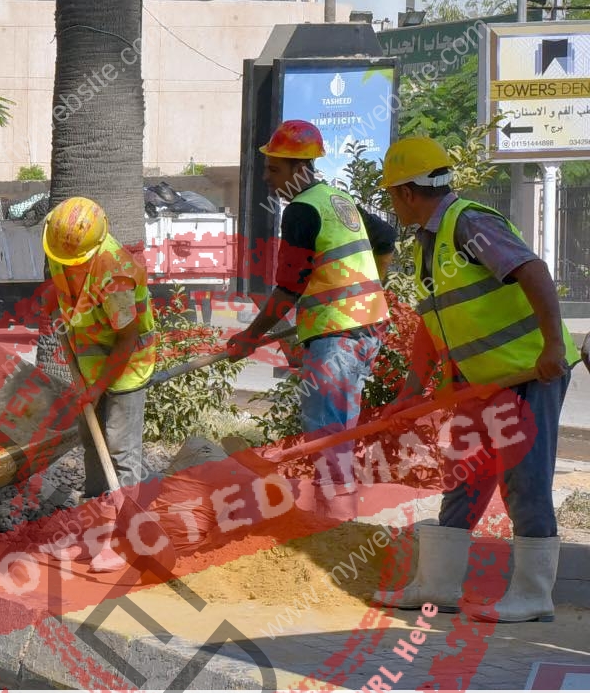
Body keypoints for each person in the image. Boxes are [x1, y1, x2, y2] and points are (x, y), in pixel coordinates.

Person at [372, 136, 576, 623]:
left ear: (405, 192)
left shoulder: (470, 224)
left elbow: (534, 271)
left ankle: (532, 594)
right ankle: (438, 585)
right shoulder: (429, 242)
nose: (391, 205)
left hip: (528, 374)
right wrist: (409, 393)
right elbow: (430, 323)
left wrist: (551, 347)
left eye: (391, 195)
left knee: (523, 481)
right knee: (463, 477)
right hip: (482, 385)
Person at [226, 120, 394, 516]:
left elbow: (287, 288)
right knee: (341, 430)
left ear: (299, 169)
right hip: (366, 329)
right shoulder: (337, 199)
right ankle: (342, 515)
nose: (267, 179)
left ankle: (329, 521)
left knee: (325, 432)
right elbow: (385, 237)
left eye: (274, 169)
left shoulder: (302, 211)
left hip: (337, 335)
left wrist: (249, 337)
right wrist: (374, 288)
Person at [40, 196, 158, 571]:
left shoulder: (116, 274)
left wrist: (97, 387)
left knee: (121, 455)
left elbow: (125, 340)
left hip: (125, 368)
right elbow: (58, 295)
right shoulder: (61, 245)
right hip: (88, 366)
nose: (66, 266)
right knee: (94, 452)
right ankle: (94, 537)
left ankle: (124, 541)